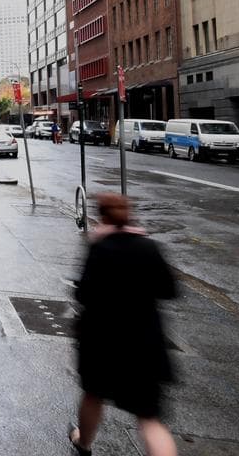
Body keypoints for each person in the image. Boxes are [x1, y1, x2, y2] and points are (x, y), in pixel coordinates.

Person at [68, 193, 177, 456]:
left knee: (93, 395)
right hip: (145, 342)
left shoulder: (99, 247)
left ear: (102, 216)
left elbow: (83, 294)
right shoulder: (149, 246)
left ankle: (83, 442)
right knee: (149, 418)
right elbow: (169, 290)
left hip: (102, 341)